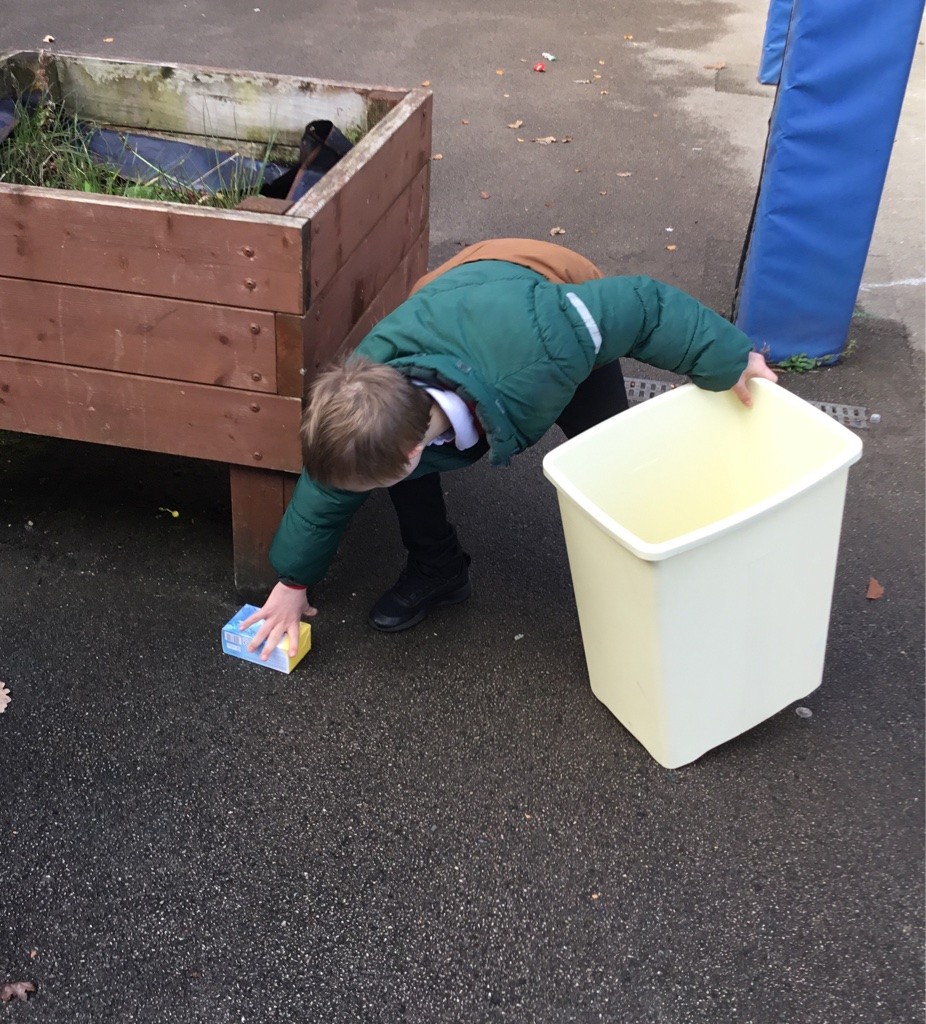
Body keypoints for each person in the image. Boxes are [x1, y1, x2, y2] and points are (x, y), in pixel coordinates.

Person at [243, 238, 777, 658]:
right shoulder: (370, 391)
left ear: (410, 450)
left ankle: (663, 589)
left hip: (549, 292)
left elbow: (643, 307)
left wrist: (730, 359)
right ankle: (439, 570)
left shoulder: (550, 345)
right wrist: (293, 581)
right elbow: (329, 487)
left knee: (613, 459)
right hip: (458, 292)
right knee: (394, 477)